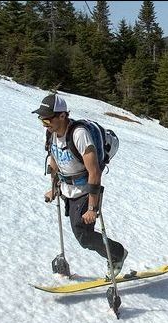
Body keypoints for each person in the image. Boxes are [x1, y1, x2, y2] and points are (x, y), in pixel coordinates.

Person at [32, 94, 127, 278]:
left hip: (85, 190)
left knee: (83, 235)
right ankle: (116, 253)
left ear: (62, 116)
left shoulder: (79, 134)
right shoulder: (51, 133)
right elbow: (54, 159)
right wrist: (54, 187)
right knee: (82, 234)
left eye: (47, 119)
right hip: (68, 188)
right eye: (41, 119)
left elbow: (94, 172)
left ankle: (117, 254)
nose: (44, 123)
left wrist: (92, 207)